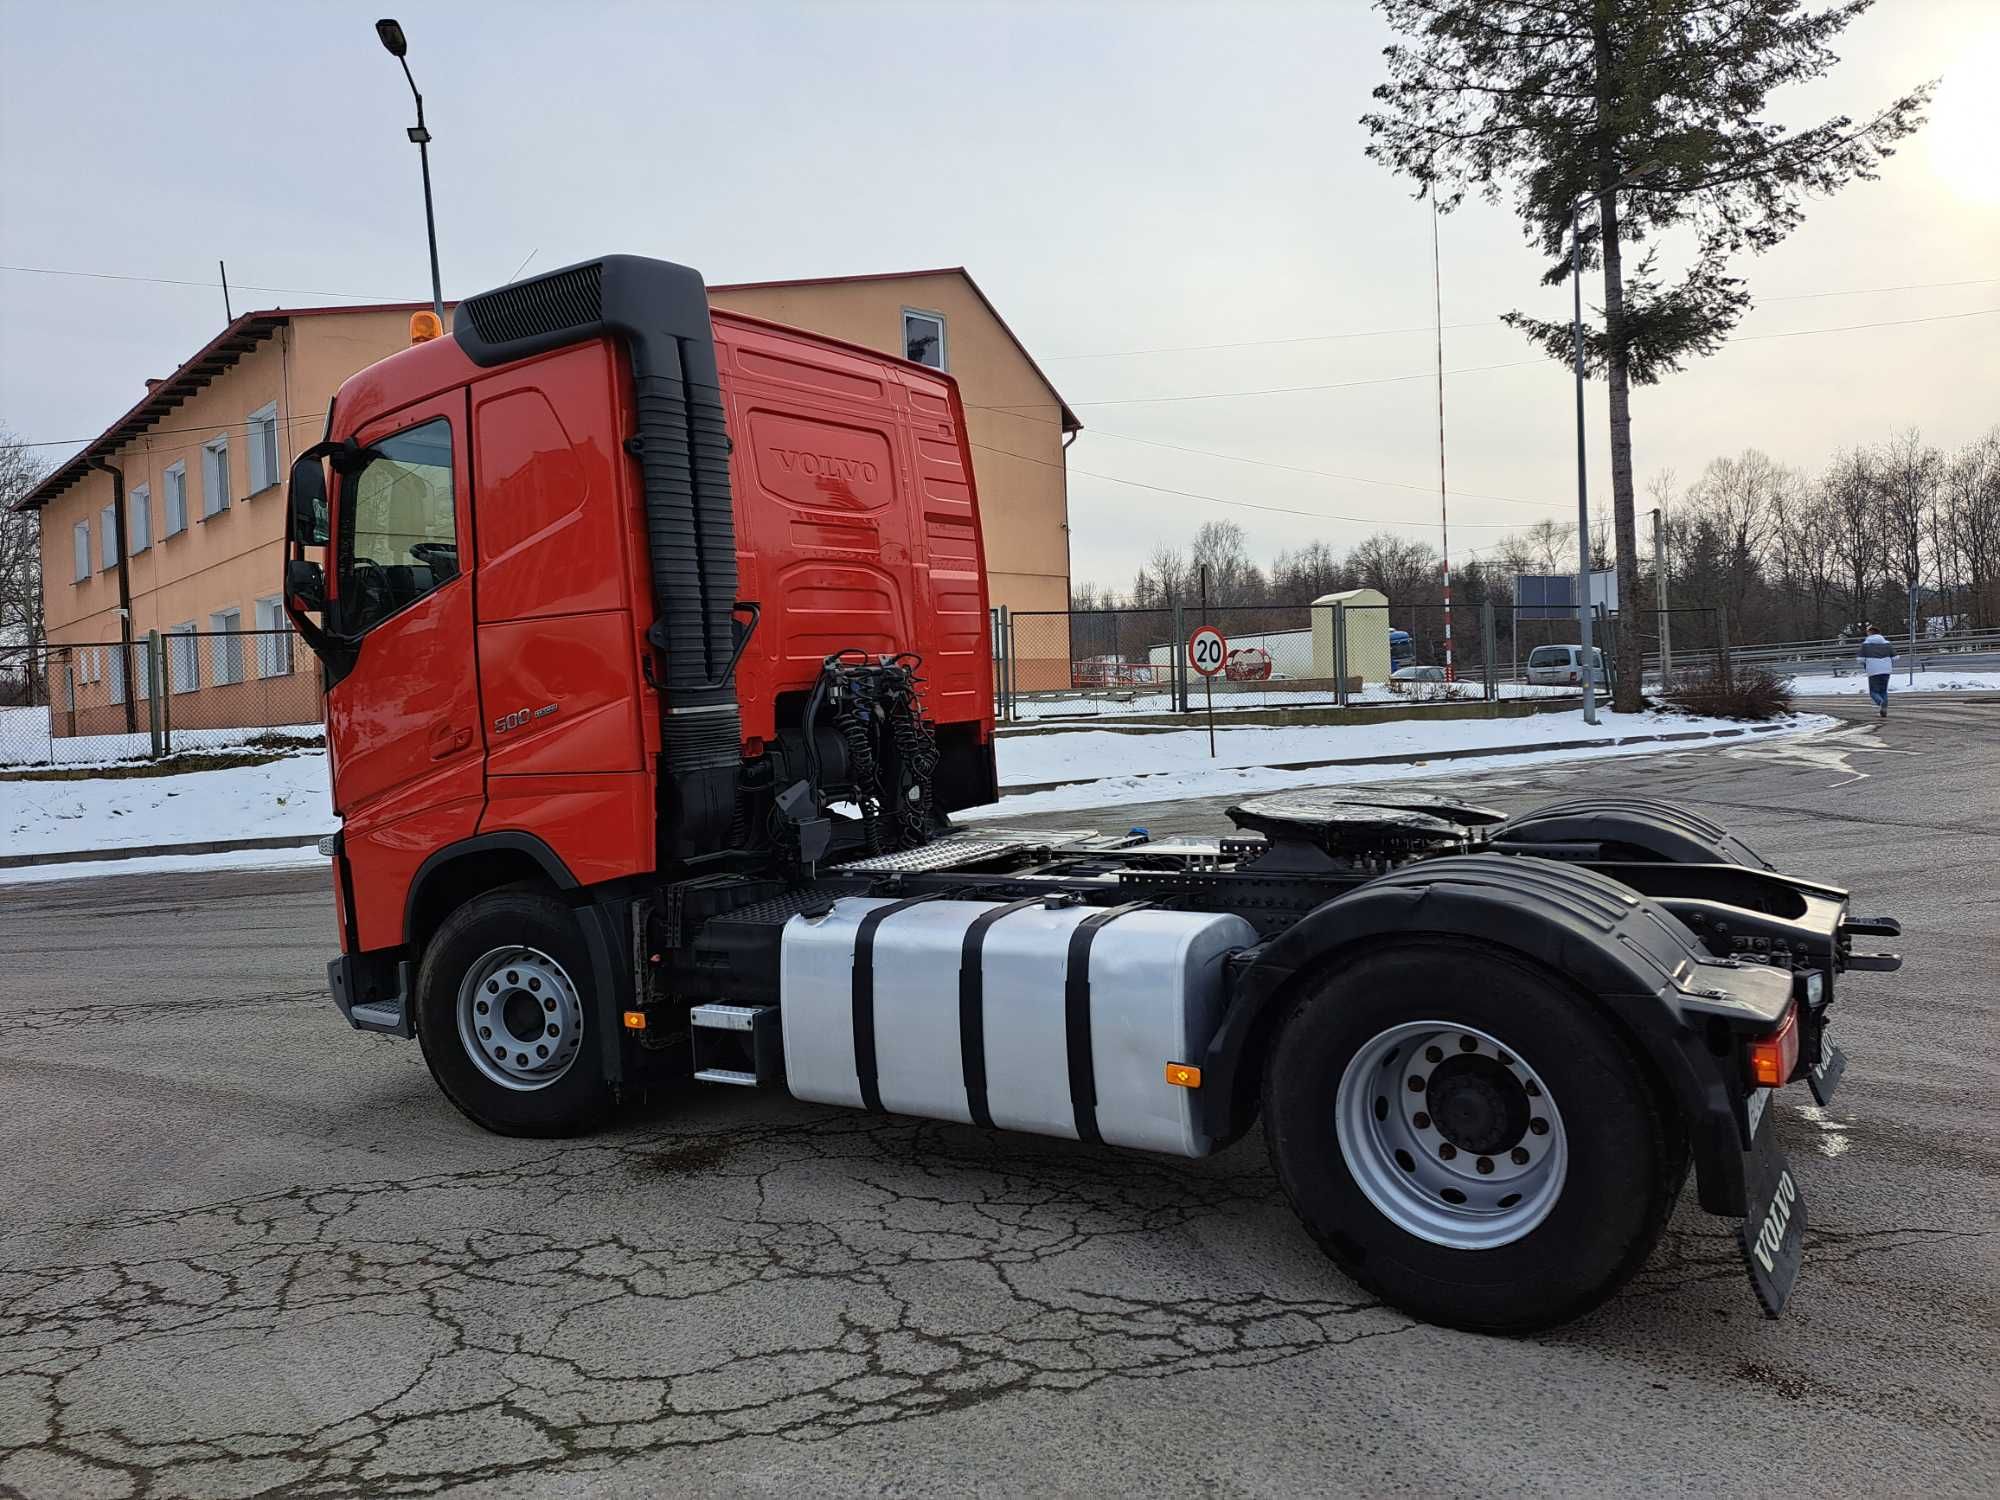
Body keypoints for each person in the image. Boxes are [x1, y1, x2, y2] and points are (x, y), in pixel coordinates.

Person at [1857, 624, 1895, 718]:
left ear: (1870, 633)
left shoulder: (1865, 644)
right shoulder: (1887, 643)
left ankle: (1880, 703)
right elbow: (1895, 657)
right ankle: (1884, 708)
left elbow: (1860, 659)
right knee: (1883, 690)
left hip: (1873, 670)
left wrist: (1866, 663)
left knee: (1873, 691)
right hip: (1886, 670)